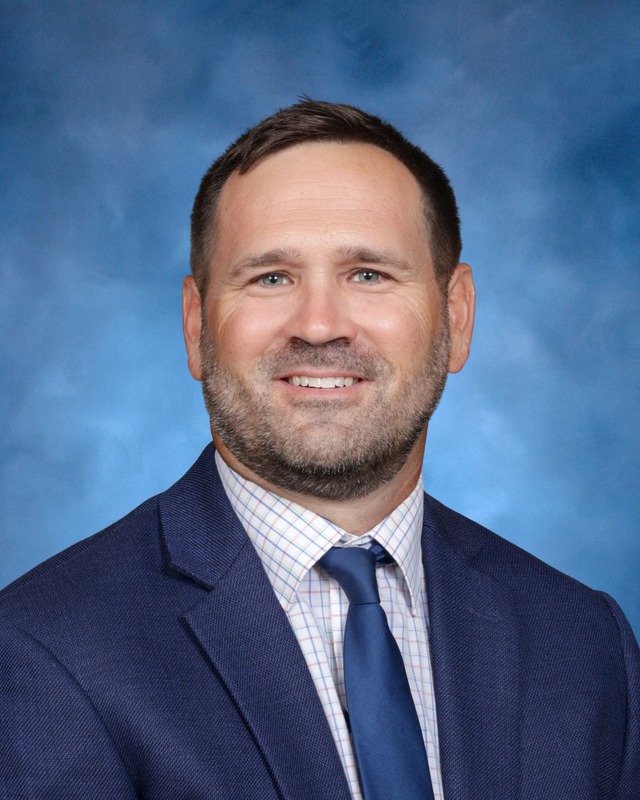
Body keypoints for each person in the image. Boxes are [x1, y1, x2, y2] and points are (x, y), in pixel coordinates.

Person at [0, 99, 638, 800]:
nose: (319, 325)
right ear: (195, 325)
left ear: (455, 317)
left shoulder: (587, 642)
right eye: (271, 277)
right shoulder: (42, 651)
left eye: (369, 273)